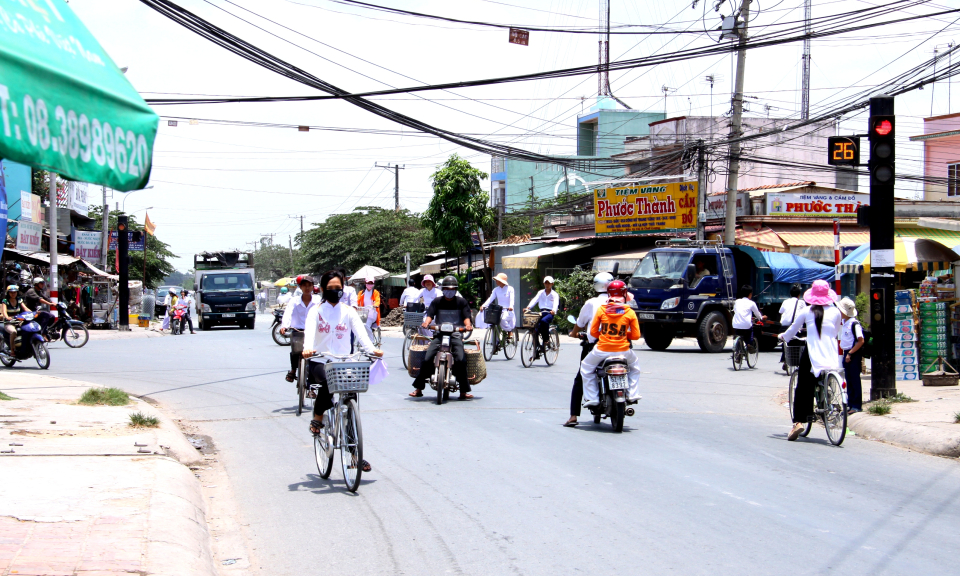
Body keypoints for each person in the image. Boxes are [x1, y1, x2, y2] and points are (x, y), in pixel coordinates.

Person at [302, 270, 382, 472]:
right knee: (327, 383)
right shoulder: (316, 311)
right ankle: (318, 415)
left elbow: (361, 334)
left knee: (350, 401)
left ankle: (355, 455)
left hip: (345, 361)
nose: (335, 292)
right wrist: (307, 348)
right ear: (322, 290)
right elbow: (310, 333)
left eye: (338, 288)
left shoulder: (349, 311)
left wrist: (372, 350)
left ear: (343, 289)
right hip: (320, 360)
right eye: (330, 289)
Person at [778, 279, 842, 441]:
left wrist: (783, 336)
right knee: (822, 378)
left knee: (803, 386)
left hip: (813, 353)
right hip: (830, 353)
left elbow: (793, 329)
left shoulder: (807, 311)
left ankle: (798, 421)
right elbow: (835, 332)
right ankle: (827, 395)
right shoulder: (835, 312)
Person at [409, 275, 474, 400]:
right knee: (427, 358)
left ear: (455, 290)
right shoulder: (437, 301)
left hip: (455, 334)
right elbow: (430, 315)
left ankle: (463, 391)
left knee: (460, 359)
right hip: (439, 334)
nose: (449, 291)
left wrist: (467, 326)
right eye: (447, 289)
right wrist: (426, 323)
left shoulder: (461, 302)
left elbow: (466, 317)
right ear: (443, 289)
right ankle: (418, 388)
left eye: (452, 289)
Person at [579, 280, 642, 407]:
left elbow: (593, 332)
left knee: (586, 367)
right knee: (635, 368)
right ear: (624, 294)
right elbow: (636, 336)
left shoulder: (602, 310)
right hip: (624, 350)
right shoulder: (629, 312)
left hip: (602, 350)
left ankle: (592, 398)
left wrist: (605, 335)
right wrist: (622, 334)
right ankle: (632, 394)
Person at [564, 272, 612, 427]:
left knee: (581, 377)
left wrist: (573, 333)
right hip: (620, 346)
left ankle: (573, 416)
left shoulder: (592, 303)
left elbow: (580, 322)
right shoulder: (621, 302)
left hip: (596, 346)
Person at [281, 275, 318, 383]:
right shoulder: (294, 301)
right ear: (300, 287)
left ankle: (313, 383)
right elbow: (288, 313)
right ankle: (293, 370)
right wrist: (284, 326)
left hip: (313, 331)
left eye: (309, 286)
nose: (307, 288)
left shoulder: (318, 300)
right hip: (298, 330)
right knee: (295, 351)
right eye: (304, 286)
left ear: (312, 287)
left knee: (314, 356)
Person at [838, 297, 865, 414]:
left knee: (854, 379)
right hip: (847, 353)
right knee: (848, 379)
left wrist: (850, 353)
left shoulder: (855, 324)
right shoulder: (845, 323)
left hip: (853, 354)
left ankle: (856, 405)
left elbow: (860, 340)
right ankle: (850, 404)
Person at [524, 276, 559, 356]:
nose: (547, 284)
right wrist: (528, 307)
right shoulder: (540, 292)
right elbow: (535, 300)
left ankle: (546, 339)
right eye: (546, 283)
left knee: (544, 321)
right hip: (541, 312)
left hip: (550, 313)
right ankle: (537, 347)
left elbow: (556, 304)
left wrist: (553, 310)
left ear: (552, 284)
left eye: (549, 283)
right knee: (535, 328)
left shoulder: (554, 294)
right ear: (544, 283)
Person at [778, 284, 806, 370]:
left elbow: (780, 311)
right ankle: (793, 361)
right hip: (795, 327)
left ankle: (785, 359)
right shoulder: (801, 302)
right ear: (799, 295)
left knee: (785, 342)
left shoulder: (785, 301)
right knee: (797, 343)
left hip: (784, 326)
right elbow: (805, 313)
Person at [732, 285, 766, 351]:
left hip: (736, 324)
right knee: (750, 332)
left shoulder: (737, 301)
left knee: (738, 334)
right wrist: (761, 318)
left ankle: (738, 355)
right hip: (746, 325)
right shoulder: (752, 303)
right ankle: (748, 344)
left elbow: (735, 310)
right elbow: (757, 314)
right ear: (750, 294)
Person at [2, 285, 29, 353]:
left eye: (15, 292)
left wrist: (33, 313)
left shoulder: (19, 300)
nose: (13, 294)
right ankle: (12, 350)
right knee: (14, 332)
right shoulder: (5, 301)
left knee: (28, 328)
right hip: (9, 322)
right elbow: (4, 311)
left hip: (19, 321)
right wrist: (7, 317)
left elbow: (25, 308)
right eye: (11, 292)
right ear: (8, 293)